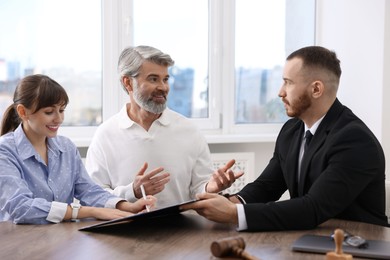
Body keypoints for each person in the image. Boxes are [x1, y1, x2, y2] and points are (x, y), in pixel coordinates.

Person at [181, 46, 389, 231]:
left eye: (288, 83)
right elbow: (267, 187)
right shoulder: (292, 130)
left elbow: (312, 208)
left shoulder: (354, 140)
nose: (280, 93)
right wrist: (230, 202)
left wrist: (234, 214)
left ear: (316, 89)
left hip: (359, 243)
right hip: (312, 236)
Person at [85, 45, 243, 208]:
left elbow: (200, 188)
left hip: (178, 229)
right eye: (153, 79)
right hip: (123, 229)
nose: (163, 87)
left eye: (165, 79)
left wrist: (211, 188)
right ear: (128, 83)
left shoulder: (189, 131)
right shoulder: (105, 134)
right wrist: (132, 192)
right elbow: (93, 195)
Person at [0, 74, 156, 224]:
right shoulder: (5, 151)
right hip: (19, 245)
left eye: (61, 110)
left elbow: (89, 190)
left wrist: (127, 206)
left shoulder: (66, 147)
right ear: (23, 112)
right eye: (49, 112)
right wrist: (87, 211)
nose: (58, 119)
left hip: (60, 241)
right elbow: (20, 207)